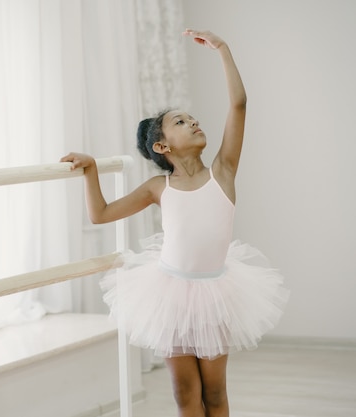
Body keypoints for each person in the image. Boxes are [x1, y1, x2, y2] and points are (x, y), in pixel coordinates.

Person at [60, 29, 289, 417]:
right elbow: (99, 214)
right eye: (181, 121)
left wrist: (223, 49)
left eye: (193, 118)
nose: (194, 122)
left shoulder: (223, 171)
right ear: (162, 146)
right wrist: (91, 170)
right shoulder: (157, 187)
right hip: (169, 296)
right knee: (186, 396)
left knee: (215, 394)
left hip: (216, 294)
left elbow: (239, 104)